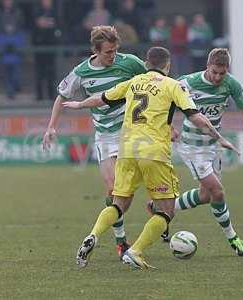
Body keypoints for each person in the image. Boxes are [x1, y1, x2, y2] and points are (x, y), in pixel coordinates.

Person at [62, 46, 237, 269]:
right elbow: (195, 117)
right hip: (154, 153)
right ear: (168, 65)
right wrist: (218, 136)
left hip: (125, 151)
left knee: (119, 205)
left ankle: (94, 235)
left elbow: (102, 98)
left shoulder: (134, 82)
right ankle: (135, 251)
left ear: (146, 64)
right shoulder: (174, 85)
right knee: (165, 210)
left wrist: (79, 104)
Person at [42, 25, 146, 258]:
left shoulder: (130, 63)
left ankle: (159, 213)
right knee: (112, 188)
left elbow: (156, 84)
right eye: (108, 52)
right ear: (96, 51)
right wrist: (51, 127)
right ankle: (121, 241)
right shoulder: (81, 72)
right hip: (106, 136)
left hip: (132, 132)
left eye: (115, 50)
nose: (113, 56)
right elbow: (62, 97)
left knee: (128, 193)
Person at [148, 48, 243, 257]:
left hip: (213, 147)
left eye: (221, 73)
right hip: (192, 147)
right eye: (214, 72)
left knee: (206, 196)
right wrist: (169, 127)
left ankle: (159, 207)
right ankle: (233, 239)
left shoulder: (231, 84)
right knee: (218, 191)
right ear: (207, 66)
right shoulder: (187, 82)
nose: (217, 77)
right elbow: (164, 103)